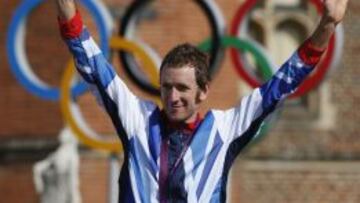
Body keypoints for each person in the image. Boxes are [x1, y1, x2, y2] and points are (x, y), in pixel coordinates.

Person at [55, 0, 348, 202]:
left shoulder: (225, 128)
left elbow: (281, 84)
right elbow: (92, 64)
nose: (172, 97)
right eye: (166, 87)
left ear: (203, 91)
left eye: (182, 88)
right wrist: (67, 8)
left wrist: (327, 24)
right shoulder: (138, 120)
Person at [33, 127, 81, 203]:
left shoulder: (56, 155)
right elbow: (72, 180)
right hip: (60, 193)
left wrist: (40, 186)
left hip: (52, 195)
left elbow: (37, 168)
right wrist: (75, 199)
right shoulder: (71, 155)